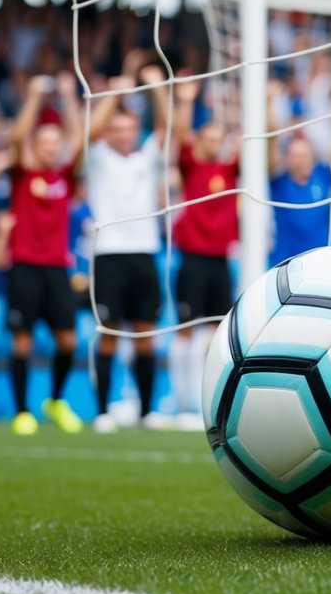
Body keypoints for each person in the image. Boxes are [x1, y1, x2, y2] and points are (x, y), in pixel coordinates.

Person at [85, 62, 168, 433]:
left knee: (145, 333)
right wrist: (117, 93)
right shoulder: (98, 158)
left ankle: (147, 411)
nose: (122, 134)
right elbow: (90, 132)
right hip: (109, 255)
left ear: (136, 131)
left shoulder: (146, 158)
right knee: (110, 333)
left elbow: (166, 128)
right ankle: (102, 411)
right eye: (116, 128)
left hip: (145, 252)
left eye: (129, 128)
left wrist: (156, 88)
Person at [4, 72, 86, 435]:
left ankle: (54, 399)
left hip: (56, 269)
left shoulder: (64, 177)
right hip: (24, 266)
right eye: (45, 142)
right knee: (22, 341)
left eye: (56, 142)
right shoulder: (22, 173)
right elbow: (17, 137)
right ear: (36, 146)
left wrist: (69, 96)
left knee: (68, 340)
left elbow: (80, 140)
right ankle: (22, 411)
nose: (51, 148)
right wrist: (35, 98)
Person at [169, 72, 238, 425]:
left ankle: (205, 405)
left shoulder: (231, 169)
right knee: (185, 330)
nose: (212, 143)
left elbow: (261, 148)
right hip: (192, 258)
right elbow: (181, 135)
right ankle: (182, 404)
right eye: (207, 137)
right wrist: (185, 101)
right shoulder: (192, 164)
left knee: (216, 334)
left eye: (217, 138)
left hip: (221, 260)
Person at [268, 136, 331, 265]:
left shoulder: (322, 175)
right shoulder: (279, 182)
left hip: (321, 259)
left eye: (307, 155)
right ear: (287, 159)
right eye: (298, 156)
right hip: (287, 263)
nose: (304, 160)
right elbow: (270, 157)